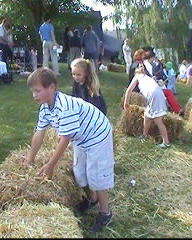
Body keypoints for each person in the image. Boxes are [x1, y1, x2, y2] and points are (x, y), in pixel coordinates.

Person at [23, 67, 114, 233]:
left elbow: (64, 140)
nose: (34, 95)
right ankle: (92, 199)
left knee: (96, 175)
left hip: (97, 134)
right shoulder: (45, 108)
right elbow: (39, 133)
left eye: (37, 91)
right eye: (33, 92)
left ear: (52, 87)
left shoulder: (65, 107)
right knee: (79, 172)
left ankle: (105, 212)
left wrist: (50, 166)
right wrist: (29, 159)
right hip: (81, 137)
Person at [124, 66, 170, 148]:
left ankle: (166, 142)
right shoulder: (147, 78)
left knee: (158, 120)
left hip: (153, 95)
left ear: (136, 73)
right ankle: (144, 135)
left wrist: (126, 103)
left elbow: (129, 90)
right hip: (158, 94)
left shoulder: (137, 76)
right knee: (146, 115)